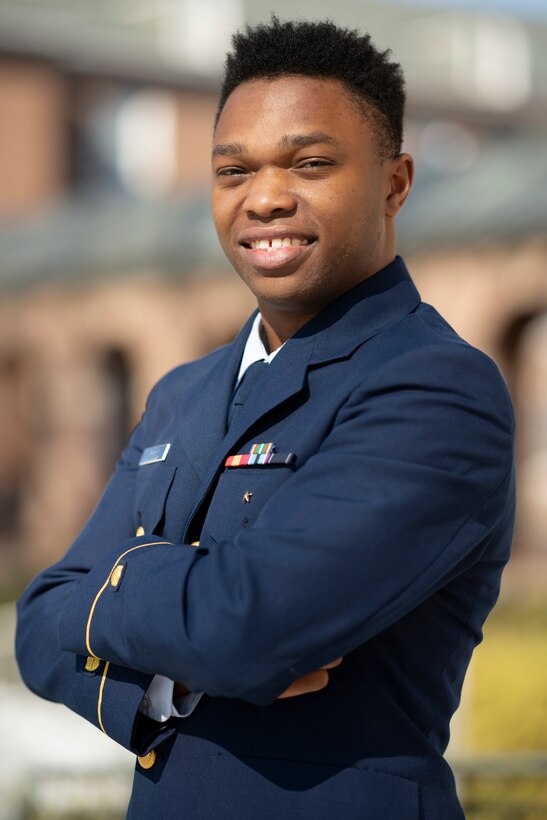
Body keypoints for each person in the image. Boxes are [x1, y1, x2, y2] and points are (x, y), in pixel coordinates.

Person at [16, 17, 515, 820]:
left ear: (394, 183)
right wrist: (172, 681)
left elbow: (245, 626)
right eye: (232, 170)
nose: (266, 196)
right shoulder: (184, 391)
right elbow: (39, 624)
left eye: (310, 163)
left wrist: (118, 590)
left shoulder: (434, 388)